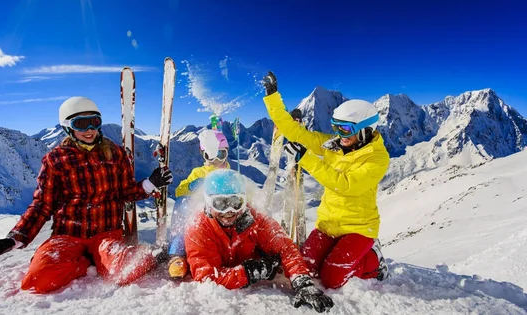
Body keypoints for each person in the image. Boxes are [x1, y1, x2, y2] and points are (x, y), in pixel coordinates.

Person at [0, 96, 173, 293]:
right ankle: (86, 260)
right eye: (81, 123)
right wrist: (13, 239)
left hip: (106, 233)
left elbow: (125, 193)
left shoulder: (115, 154)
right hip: (68, 235)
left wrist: (150, 183)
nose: (90, 130)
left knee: (127, 269)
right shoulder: (56, 160)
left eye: (94, 122)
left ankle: (120, 257)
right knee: (37, 281)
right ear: (68, 127)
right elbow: (42, 204)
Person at [262, 72, 391, 289]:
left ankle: (373, 261)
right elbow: (294, 132)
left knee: (332, 279)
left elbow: (346, 185)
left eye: (346, 129)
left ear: (366, 130)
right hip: (329, 224)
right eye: (336, 127)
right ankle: (339, 254)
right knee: (306, 269)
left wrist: (307, 159)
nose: (340, 134)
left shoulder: (376, 157)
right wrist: (273, 97)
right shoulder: (336, 145)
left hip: (358, 228)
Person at [185, 169, 334, 313]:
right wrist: (249, 273)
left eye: (236, 202)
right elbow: (207, 278)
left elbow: (285, 247)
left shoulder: (254, 219)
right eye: (220, 204)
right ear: (208, 204)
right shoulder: (198, 228)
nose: (229, 211)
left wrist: (302, 281)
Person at [167, 129, 230, 278]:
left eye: (221, 154)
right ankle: (177, 255)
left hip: (224, 218)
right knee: (184, 205)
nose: (217, 161)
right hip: (202, 219)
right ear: (204, 155)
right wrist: (190, 187)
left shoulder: (229, 174)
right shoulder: (198, 173)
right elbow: (179, 192)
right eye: (211, 156)